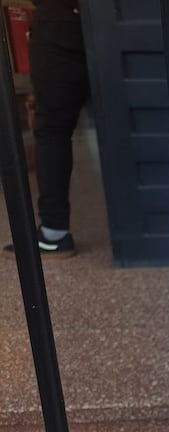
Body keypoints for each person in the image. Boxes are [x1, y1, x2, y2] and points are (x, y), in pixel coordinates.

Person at [3, 0, 89, 259]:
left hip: (58, 21)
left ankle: (54, 233)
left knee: (53, 130)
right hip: (111, 18)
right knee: (124, 119)